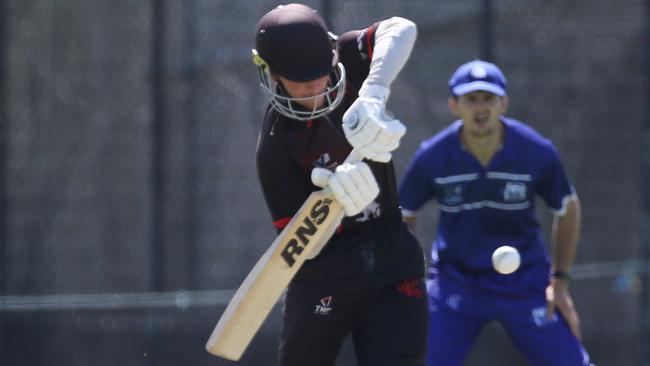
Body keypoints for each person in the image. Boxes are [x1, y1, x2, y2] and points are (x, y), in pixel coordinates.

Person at [252, 3, 427, 366]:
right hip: (323, 276)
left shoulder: (350, 59)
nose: (318, 88)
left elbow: (401, 27)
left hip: (390, 259)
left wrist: (374, 91)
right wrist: (331, 202)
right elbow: (300, 249)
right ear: (272, 74)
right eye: (303, 82)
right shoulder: (275, 143)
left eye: (322, 73)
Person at [398, 60, 594, 366]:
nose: (480, 108)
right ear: (454, 105)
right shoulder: (432, 157)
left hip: (526, 282)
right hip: (456, 281)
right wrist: (413, 277)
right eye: (471, 99)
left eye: (488, 98)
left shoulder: (536, 151)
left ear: (503, 103)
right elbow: (403, 213)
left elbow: (567, 208)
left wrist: (560, 283)